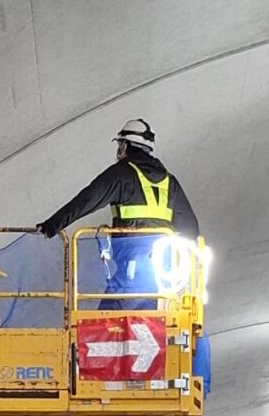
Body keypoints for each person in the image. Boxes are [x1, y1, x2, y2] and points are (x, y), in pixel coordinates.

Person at [39, 119, 199, 305]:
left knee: (104, 325)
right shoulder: (169, 182)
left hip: (133, 269)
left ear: (125, 145)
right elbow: (190, 228)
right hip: (165, 272)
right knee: (159, 324)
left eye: (119, 144)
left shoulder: (121, 174)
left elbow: (86, 200)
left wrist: (51, 226)